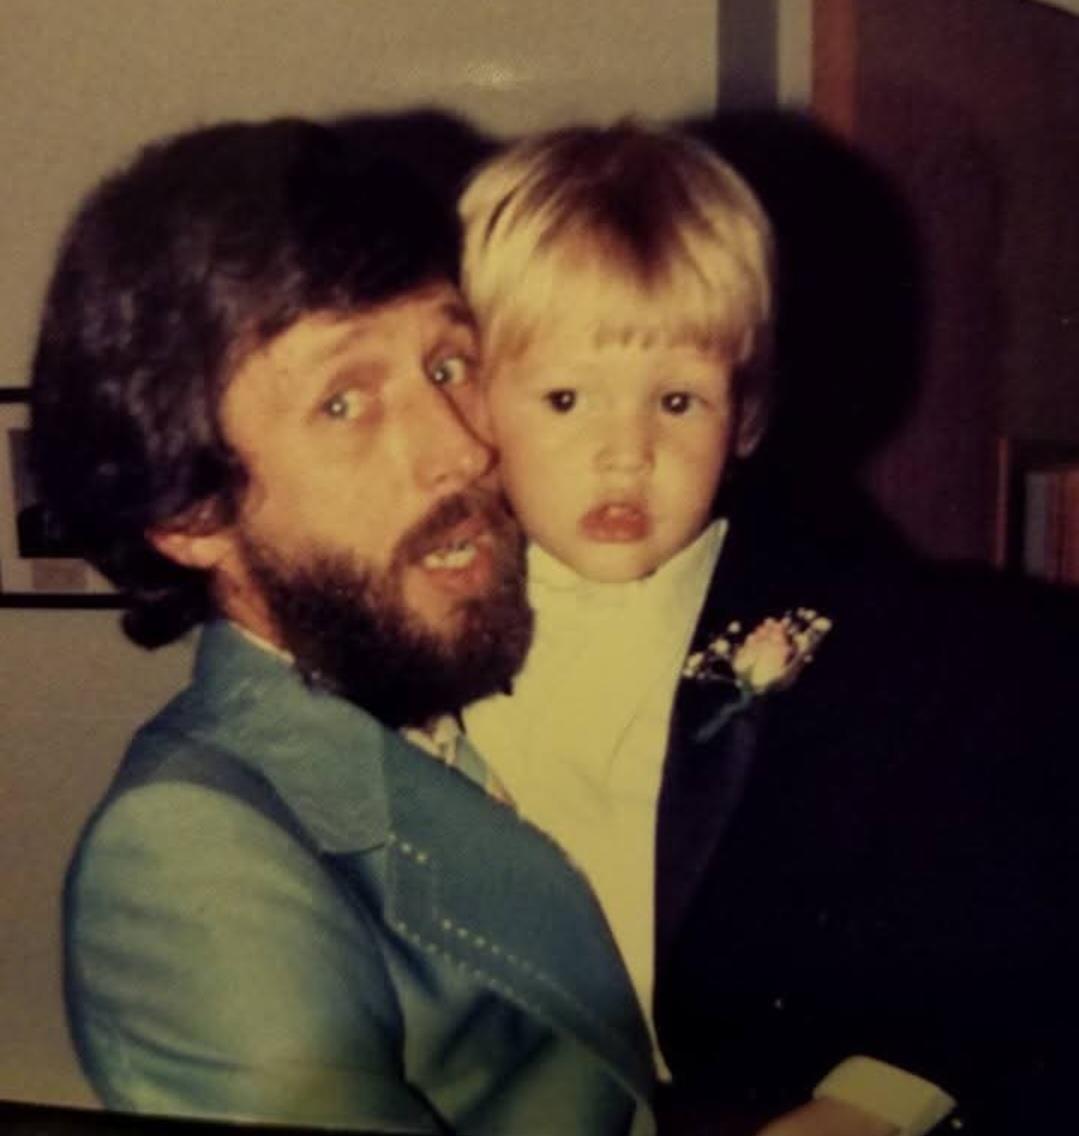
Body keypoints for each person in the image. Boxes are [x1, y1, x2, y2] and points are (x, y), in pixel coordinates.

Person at [32, 118, 656, 1135]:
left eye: (449, 364)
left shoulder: (532, 643)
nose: (459, 451)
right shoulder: (189, 853)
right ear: (194, 513)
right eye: (344, 401)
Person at [459, 122, 1077, 1135]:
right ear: (479, 406)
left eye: (677, 399)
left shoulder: (845, 637)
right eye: (566, 397)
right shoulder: (417, 636)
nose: (627, 452)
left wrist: (867, 1100)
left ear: (742, 414)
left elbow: (969, 911)